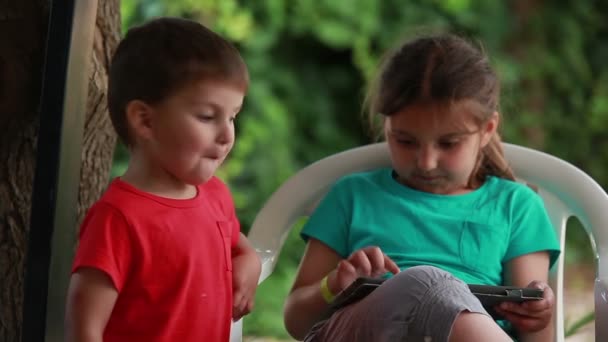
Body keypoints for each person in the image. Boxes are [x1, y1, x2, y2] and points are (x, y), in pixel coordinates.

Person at [284, 33, 561, 342]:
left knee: (433, 286)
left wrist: (537, 319)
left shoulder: (516, 207)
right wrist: (334, 285)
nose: (426, 162)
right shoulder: (352, 196)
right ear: (385, 127)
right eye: (405, 141)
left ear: (487, 130)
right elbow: (297, 323)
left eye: (448, 143)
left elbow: (536, 338)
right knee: (424, 282)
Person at [64, 17, 261, 342]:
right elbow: (84, 328)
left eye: (233, 116)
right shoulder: (118, 220)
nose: (227, 134)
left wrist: (250, 262)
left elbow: (238, 245)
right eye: (207, 117)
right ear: (145, 121)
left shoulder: (214, 196)